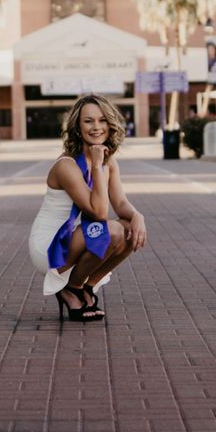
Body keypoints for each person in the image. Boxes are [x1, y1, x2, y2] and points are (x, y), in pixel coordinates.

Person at [28, 93, 147, 323]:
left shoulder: (108, 161)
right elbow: (99, 212)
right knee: (111, 230)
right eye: (88, 121)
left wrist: (137, 216)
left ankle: (87, 287)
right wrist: (97, 167)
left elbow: (120, 204)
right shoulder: (66, 166)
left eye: (102, 120)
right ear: (77, 126)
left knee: (128, 230)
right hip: (50, 246)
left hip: (75, 236)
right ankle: (72, 287)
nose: (96, 127)